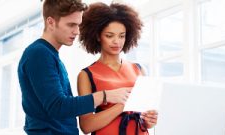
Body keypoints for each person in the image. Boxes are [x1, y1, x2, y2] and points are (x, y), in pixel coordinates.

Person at [17, 0, 130, 134]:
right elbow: (57, 106)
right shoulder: (39, 54)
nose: (76, 31)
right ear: (51, 22)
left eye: (78, 25)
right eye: (71, 25)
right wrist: (105, 96)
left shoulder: (50, 55)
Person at [77, 2, 158, 135]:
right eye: (109, 36)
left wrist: (149, 121)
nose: (117, 42)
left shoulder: (138, 69)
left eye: (122, 35)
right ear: (98, 36)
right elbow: (86, 126)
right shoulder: (87, 75)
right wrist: (123, 106)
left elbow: (144, 117)